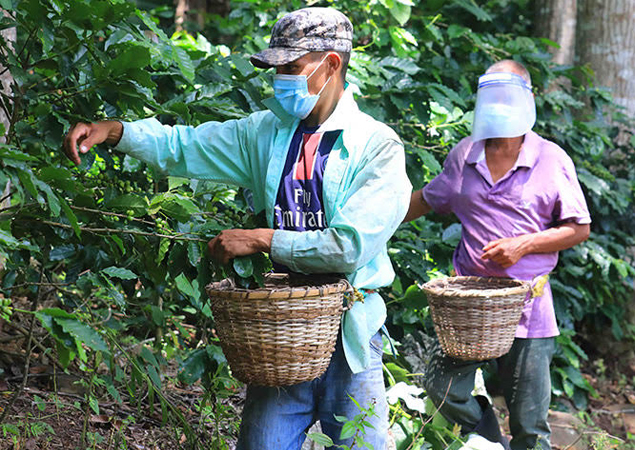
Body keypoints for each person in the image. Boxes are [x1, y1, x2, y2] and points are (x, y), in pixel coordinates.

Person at [62, 7, 411, 450]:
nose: (280, 78)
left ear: (332, 64)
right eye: (276, 68)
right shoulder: (267, 133)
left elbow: (348, 247)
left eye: (291, 67)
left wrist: (263, 239)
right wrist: (117, 133)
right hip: (281, 330)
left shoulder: (376, 146)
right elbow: (185, 146)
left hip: (350, 337)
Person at [404, 60, 591, 450]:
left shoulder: (551, 158)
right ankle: (492, 441)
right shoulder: (466, 154)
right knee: (441, 389)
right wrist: (365, 222)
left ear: (528, 97)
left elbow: (578, 228)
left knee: (530, 424)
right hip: (470, 306)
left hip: (528, 307)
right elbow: (428, 198)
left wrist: (524, 243)